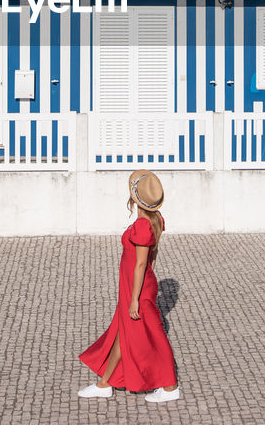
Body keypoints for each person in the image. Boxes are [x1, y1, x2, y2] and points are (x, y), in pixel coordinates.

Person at [78, 169, 180, 403]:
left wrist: (134, 298)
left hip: (138, 288)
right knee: (123, 332)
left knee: (156, 336)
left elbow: (142, 262)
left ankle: (171, 387)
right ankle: (104, 383)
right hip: (135, 285)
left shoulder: (144, 225)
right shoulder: (154, 220)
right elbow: (152, 257)